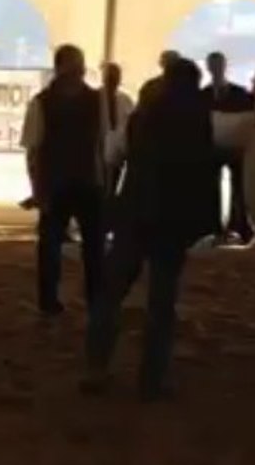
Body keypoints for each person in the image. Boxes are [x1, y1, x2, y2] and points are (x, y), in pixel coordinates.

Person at [83, 58, 218, 400]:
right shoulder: (199, 119)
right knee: (162, 302)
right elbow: (207, 174)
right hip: (173, 222)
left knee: (111, 292)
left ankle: (96, 367)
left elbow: (114, 153)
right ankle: (153, 380)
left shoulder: (143, 114)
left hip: (135, 214)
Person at [21, 44, 105, 317]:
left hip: (80, 182)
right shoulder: (42, 103)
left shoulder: (94, 101)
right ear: (60, 68)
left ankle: (90, 298)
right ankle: (52, 301)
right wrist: (37, 190)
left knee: (89, 246)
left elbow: (103, 146)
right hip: (60, 184)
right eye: (74, 65)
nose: (78, 71)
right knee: (55, 247)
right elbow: (33, 150)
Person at [202, 52, 254, 244]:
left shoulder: (240, 93)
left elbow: (250, 117)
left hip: (236, 149)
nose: (216, 69)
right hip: (212, 150)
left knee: (239, 188)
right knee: (210, 189)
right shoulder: (203, 95)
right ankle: (213, 226)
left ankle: (240, 225)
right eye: (213, 65)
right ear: (209, 68)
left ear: (224, 66)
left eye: (219, 65)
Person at [99, 62, 134, 228]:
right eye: (109, 77)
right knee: (99, 188)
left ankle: (108, 221)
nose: (112, 80)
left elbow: (132, 125)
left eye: (115, 77)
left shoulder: (125, 100)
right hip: (98, 151)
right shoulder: (94, 99)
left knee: (113, 187)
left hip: (118, 152)